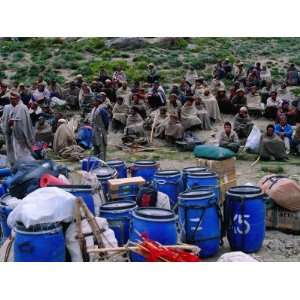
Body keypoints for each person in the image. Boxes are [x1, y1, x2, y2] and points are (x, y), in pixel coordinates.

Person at [1, 90, 35, 166]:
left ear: (18, 99)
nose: (12, 100)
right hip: (10, 134)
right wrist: (7, 125)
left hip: (20, 135)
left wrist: (14, 123)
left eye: (14, 99)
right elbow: (4, 120)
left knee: (21, 153)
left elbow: (24, 123)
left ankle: (26, 166)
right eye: (11, 99)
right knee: (11, 151)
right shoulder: (7, 107)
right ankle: (12, 165)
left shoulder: (23, 108)